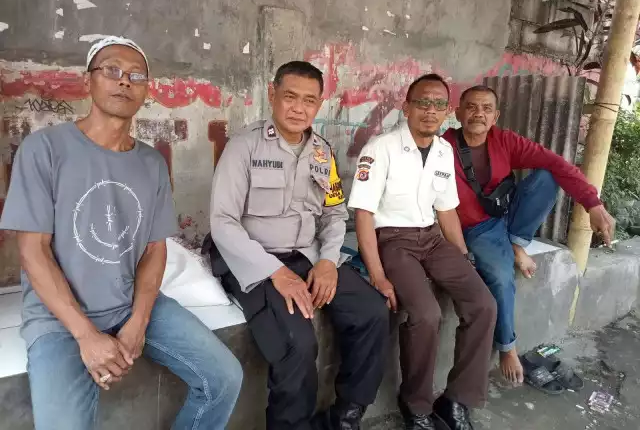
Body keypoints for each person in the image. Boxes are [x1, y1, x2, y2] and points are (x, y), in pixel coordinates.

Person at [0, 36, 243, 430]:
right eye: (111, 70)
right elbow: (33, 251)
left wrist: (139, 320)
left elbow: (154, 250)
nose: (124, 81)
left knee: (224, 379)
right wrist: (86, 336)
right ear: (88, 81)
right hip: (59, 319)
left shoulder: (151, 163)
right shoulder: (44, 149)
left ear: (146, 89)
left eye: (136, 75)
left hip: (128, 305)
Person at [209, 61, 389, 430]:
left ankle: (345, 415)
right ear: (272, 94)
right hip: (254, 260)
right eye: (290, 97)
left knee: (372, 311)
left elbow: (335, 213)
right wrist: (276, 273)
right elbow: (223, 222)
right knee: (297, 343)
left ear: (319, 104)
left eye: (309, 100)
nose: (298, 108)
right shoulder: (243, 147)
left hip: (307, 255)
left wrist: (328, 262)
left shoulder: (323, 153)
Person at [348, 74, 497, 430]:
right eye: (423, 103)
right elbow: (364, 214)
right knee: (426, 314)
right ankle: (416, 405)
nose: (430, 111)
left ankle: (456, 399)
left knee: (484, 304)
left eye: (438, 104)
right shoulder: (380, 148)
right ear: (407, 107)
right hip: (393, 240)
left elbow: (446, 211)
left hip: (432, 239)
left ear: (447, 111)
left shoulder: (444, 151)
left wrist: (463, 257)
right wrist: (377, 275)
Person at [442, 85, 615, 384]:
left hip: (505, 213)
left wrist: (593, 204)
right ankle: (507, 347)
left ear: (495, 116)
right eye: (471, 107)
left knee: (548, 175)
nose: (478, 114)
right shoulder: (443, 147)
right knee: (501, 277)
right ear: (458, 113)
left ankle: (515, 242)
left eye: (486, 108)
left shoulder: (504, 140)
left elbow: (558, 164)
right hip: (476, 228)